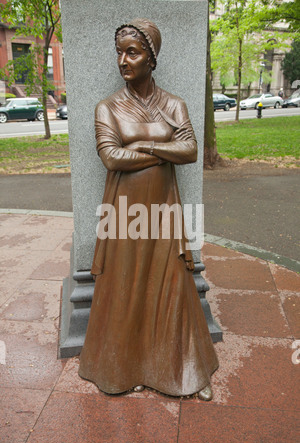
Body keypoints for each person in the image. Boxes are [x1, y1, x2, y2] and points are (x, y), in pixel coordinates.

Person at [78, 18, 218, 400]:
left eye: (133, 52)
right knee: (125, 286)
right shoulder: (107, 107)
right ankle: (123, 369)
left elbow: (189, 151)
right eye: (119, 53)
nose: (123, 61)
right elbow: (110, 157)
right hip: (123, 212)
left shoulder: (173, 105)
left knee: (173, 286)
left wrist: (142, 147)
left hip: (163, 211)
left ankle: (185, 370)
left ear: (151, 60)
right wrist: (161, 149)